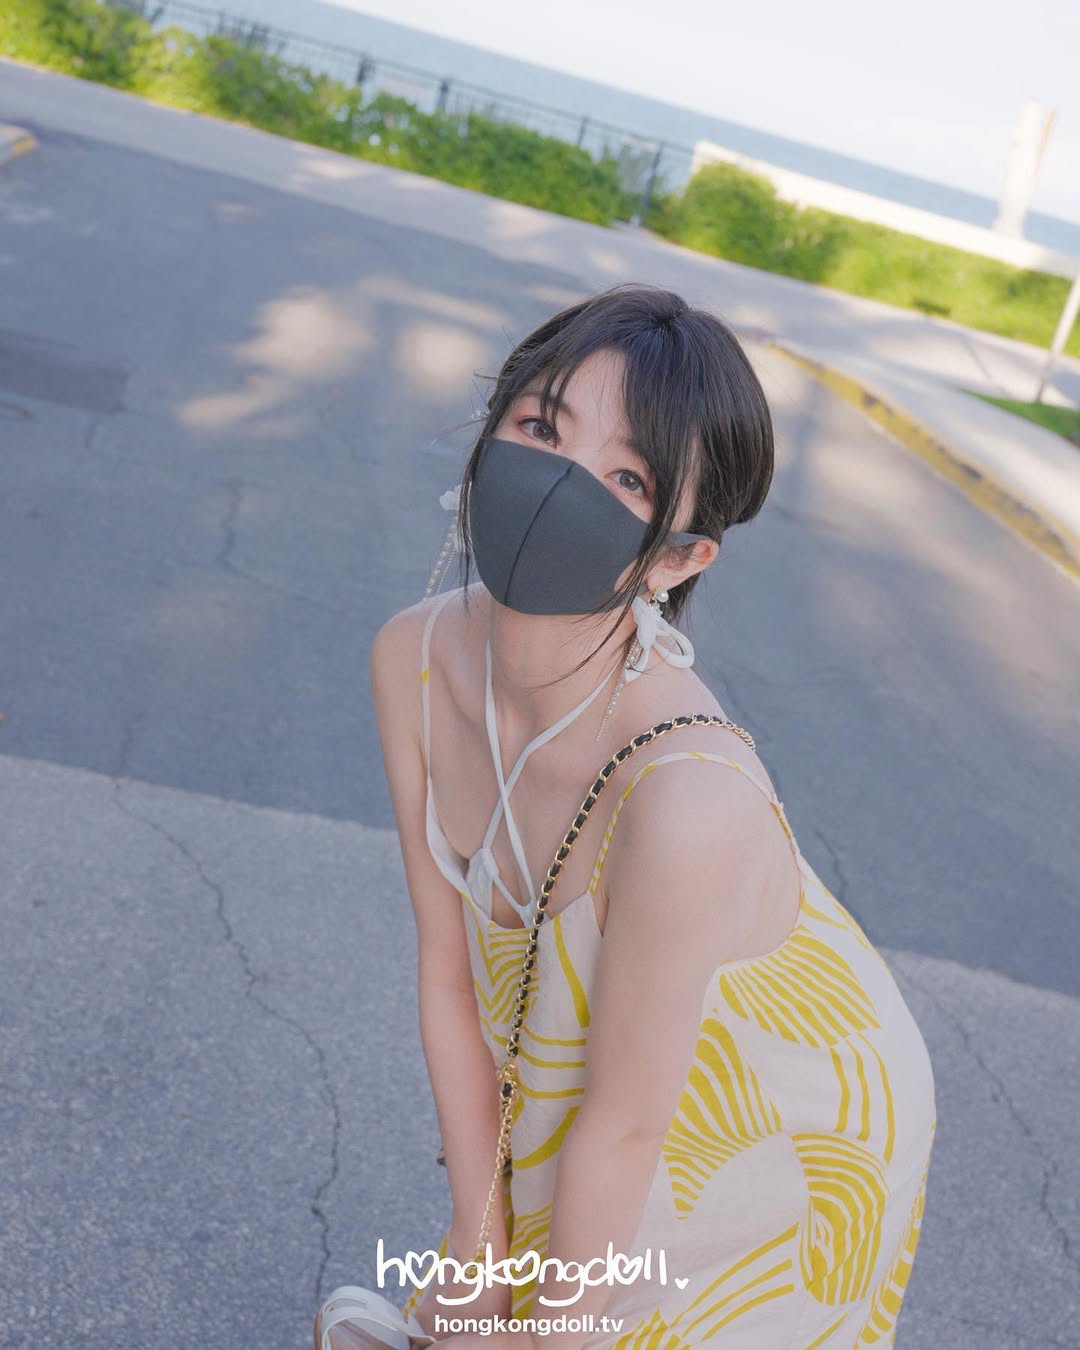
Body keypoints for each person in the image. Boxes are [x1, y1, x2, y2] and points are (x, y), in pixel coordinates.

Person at [359, 283, 936, 1349]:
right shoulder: (414, 659)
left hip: (776, 1136)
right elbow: (449, 977)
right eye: (541, 428)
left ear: (677, 558)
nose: (558, 484)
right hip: (596, 1090)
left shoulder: (688, 797)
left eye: (628, 478)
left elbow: (625, 1128)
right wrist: (476, 1258)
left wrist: (552, 1328)